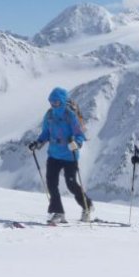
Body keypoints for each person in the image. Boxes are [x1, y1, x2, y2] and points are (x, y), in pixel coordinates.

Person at [28, 87, 92, 225]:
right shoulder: (49, 115)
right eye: (51, 102)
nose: (53, 105)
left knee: (71, 184)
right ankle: (58, 212)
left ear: (62, 101)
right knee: (51, 183)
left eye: (56, 102)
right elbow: (46, 132)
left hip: (70, 155)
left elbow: (80, 134)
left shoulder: (70, 116)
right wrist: (37, 143)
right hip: (54, 154)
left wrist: (77, 143)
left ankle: (87, 206)